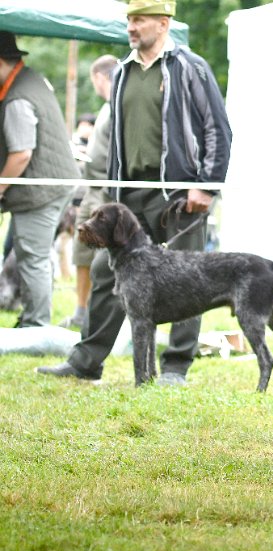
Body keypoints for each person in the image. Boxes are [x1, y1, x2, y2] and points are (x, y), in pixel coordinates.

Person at [38, 0, 232, 385]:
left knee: (187, 277)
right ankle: (86, 361)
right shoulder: (123, 71)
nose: (131, 27)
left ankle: (176, 367)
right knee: (103, 272)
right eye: (129, 19)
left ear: (163, 23)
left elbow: (218, 130)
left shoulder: (190, 67)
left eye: (139, 19)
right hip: (128, 195)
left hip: (179, 194)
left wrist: (206, 187)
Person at [0, 31, 80, 327]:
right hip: (53, 184)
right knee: (35, 255)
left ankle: (36, 324)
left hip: (40, 190)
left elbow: (21, 154)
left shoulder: (17, 98)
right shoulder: (30, 79)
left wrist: (0, 186)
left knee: (31, 258)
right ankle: (34, 319)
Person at [60, 54, 118, 330]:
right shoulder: (106, 106)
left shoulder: (117, 104)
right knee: (81, 254)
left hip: (104, 193)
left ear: (99, 77)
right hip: (90, 187)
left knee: (99, 259)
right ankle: (80, 310)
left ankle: (97, 314)